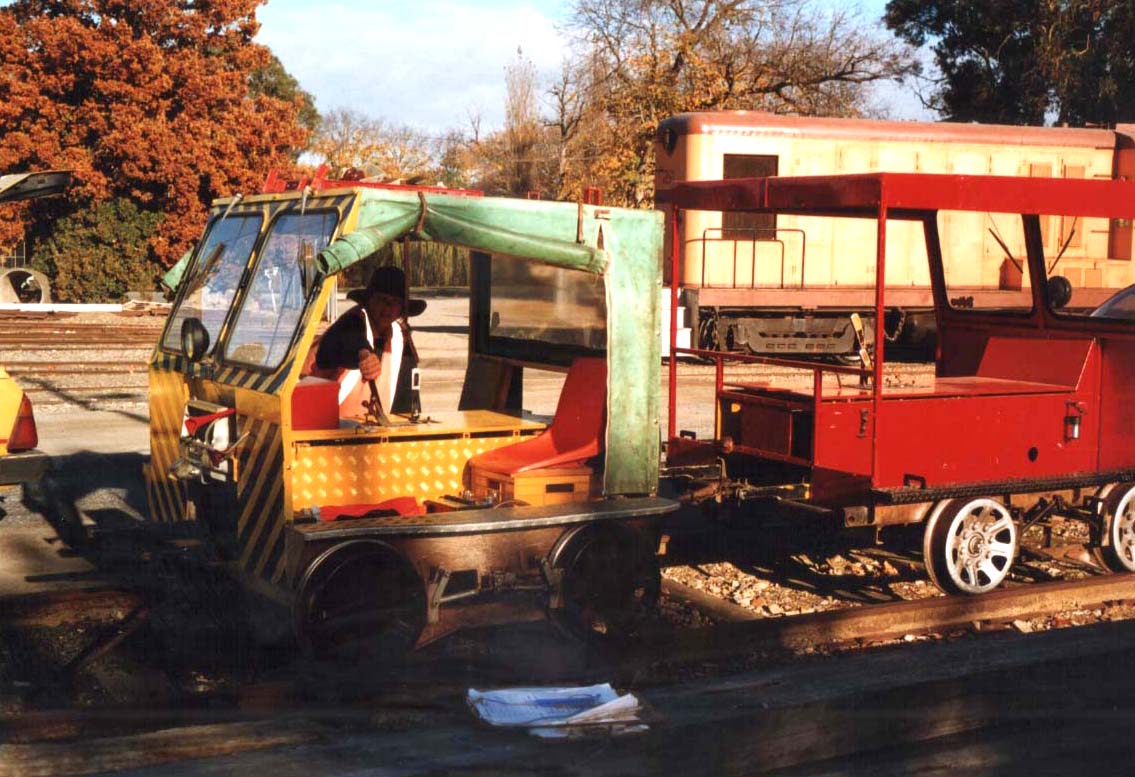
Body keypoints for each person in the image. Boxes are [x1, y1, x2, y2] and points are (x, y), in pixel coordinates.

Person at [311, 265, 426, 418]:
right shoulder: (351, 322)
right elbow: (350, 340)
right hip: (329, 422)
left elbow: (406, 401)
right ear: (369, 300)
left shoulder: (401, 338)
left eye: (395, 302)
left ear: (401, 309)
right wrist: (364, 354)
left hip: (376, 428)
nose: (388, 308)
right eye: (382, 300)